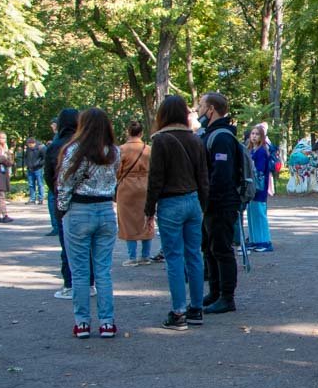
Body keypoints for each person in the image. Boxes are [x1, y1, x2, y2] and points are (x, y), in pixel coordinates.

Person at [145, 94, 209, 332]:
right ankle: (197, 308)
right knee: (194, 255)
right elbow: (203, 176)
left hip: (170, 202)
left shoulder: (161, 140)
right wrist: (203, 205)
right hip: (193, 201)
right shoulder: (195, 139)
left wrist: (149, 209)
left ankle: (179, 312)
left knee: (174, 257)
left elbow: (156, 179)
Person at [57, 108, 121, 339]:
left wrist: (62, 209)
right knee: (103, 271)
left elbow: (64, 182)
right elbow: (115, 177)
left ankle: (82, 322)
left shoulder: (74, 150)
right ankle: (107, 322)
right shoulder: (113, 151)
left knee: (80, 272)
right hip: (105, 210)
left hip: (79, 210)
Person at [199, 92, 242, 314]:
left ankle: (227, 297)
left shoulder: (222, 138)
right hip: (211, 204)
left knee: (222, 249)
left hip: (221, 203)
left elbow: (221, 175)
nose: (198, 110)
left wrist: (210, 199)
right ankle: (215, 292)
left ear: (211, 109)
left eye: (201, 106)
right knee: (209, 248)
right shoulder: (211, 135)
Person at [46, 109, 88, 298]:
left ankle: (70, 284)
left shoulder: (55, 146)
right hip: (85, 199)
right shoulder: (85, 143)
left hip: (63, 200)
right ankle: (90, 283)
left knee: (67, 244)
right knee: (87, 245)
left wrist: (57, 192)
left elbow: (48, 175)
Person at [116, 121, 154, 266]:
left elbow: (117, 170)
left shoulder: (122, 149)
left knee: (128, 220)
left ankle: (132, 257)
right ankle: (145, 255)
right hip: (145, 185)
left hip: (127, 186)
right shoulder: (148, 149)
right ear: (141, 133)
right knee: (147, 218)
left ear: (128, 132)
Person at [245, 124, 274, 253]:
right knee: (252, 213)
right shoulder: (251, 150)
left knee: (259, 213)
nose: (254, 136)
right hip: (251, 186)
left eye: (257, 134)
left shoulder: (261, 151)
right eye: (252, 134)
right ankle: (254, 240)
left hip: (259, 187)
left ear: (261, 137)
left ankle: (264, 241)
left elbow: (260, 170)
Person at [46, 120, 60, 234]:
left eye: (53, 124)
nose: (52, 126)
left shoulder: (58, 139)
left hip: (57, 177)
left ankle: (56, 226)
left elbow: (49, 166)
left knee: (52, 200)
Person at [24, 137, 46, 204]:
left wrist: (39, 164)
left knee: (40, 184)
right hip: (30, 169)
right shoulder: (28, 149)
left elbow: (44, 158)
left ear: (34, 143)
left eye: (30, 145)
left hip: (38, 169)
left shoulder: (41, 148)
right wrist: (27, 164)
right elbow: (26, 157)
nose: (29, 146)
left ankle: (41, 199)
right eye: (28, 145)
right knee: (31, 184)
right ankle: (32, 199)